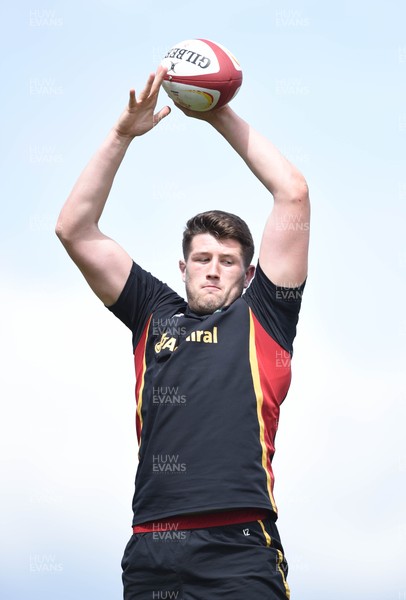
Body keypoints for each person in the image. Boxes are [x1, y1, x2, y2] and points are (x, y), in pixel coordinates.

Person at [56, 66, 310, 600]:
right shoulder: (153, 313)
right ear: (183, 267)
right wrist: (122, 133)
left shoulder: (265, 315)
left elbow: (292, 193)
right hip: (151, 546)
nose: (213, 269)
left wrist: (214, 110)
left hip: (238, 547)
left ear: (249, 274)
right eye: (202, 259)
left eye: (227, 261)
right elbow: (74, 229)